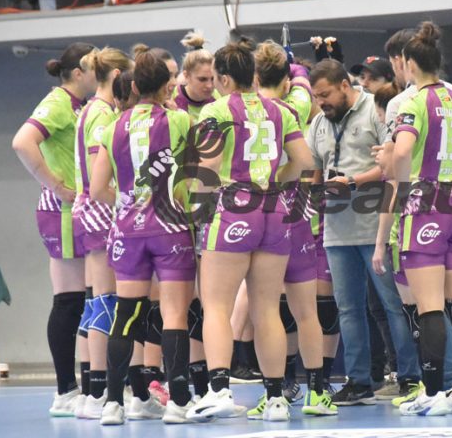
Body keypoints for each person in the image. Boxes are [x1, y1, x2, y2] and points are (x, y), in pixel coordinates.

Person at [186, 41, 313, 423]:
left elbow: (208, 166)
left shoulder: (216, 110)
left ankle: (219, 390)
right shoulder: (280, 110)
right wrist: (275, 180)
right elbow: (304, 161)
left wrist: (196, 204)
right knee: (267, 309)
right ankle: (275, 399)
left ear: (225, 78)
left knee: (216, 306)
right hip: (274, 208)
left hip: (232, 208)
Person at [374, 26, 452, 411]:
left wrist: (401, 183)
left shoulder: (412, 102)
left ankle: (432, 395)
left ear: (409, 64)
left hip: (424, 205)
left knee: (428, 307)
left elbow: (402, 151)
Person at [306, 58, 421, 406]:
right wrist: (315, 192)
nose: (321, 102)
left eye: (326, 94)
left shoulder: (376, 110)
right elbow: (315, 169)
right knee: (348, 309)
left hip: (376, 227)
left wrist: (354, 181)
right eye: (316, 97)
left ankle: (410, 377)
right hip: (337, 230)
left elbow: (392, 163)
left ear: (345, 85)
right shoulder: (319, 123)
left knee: (393, 305)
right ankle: (358, 381)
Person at [90, 49, 197, 425]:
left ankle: (112, 404)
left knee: (126, 315)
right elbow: (191, 177)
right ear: (167, 86)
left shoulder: (112, 127)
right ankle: (178, 403)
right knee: (174, 314)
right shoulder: (179, 119)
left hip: (128, 232)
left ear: (134, 87)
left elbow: (97, 188)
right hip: (171, 228)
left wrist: (127, 203)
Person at [12, 42, 97, 417]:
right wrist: (54, 184)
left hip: (79, 211)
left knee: (87, 299)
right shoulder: (59, 102)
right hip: (61, 212)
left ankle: (88, 388)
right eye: (94, 66)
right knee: (70, 300)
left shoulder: (81, 106)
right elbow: (22, 141)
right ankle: (65, 391)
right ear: (78, 73)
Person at [254, 39, 338, 415]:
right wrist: (294, 65)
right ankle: (317, 393)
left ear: (255, 78)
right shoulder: (297, 104)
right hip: (300, 213)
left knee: (267, 310)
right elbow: (302, 81)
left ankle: (275, 394)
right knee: (307, 311)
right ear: (286, 80)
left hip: (264, 214)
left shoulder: (245, 109)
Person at [72, 47, 133, 419]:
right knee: (106, 302)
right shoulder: (102, 113)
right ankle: (97, 392)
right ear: (117, 76)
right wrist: (125, 202)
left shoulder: (90, 109)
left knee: (96, 301)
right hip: (99, 210)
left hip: (89, 210)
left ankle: (90, 392)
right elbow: (100, 178)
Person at [172, 31, 218, 123]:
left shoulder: (220, 98)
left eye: (213, 79)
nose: (209, 85)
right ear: (186, 75)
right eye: (202, 79)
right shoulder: (171, 98)